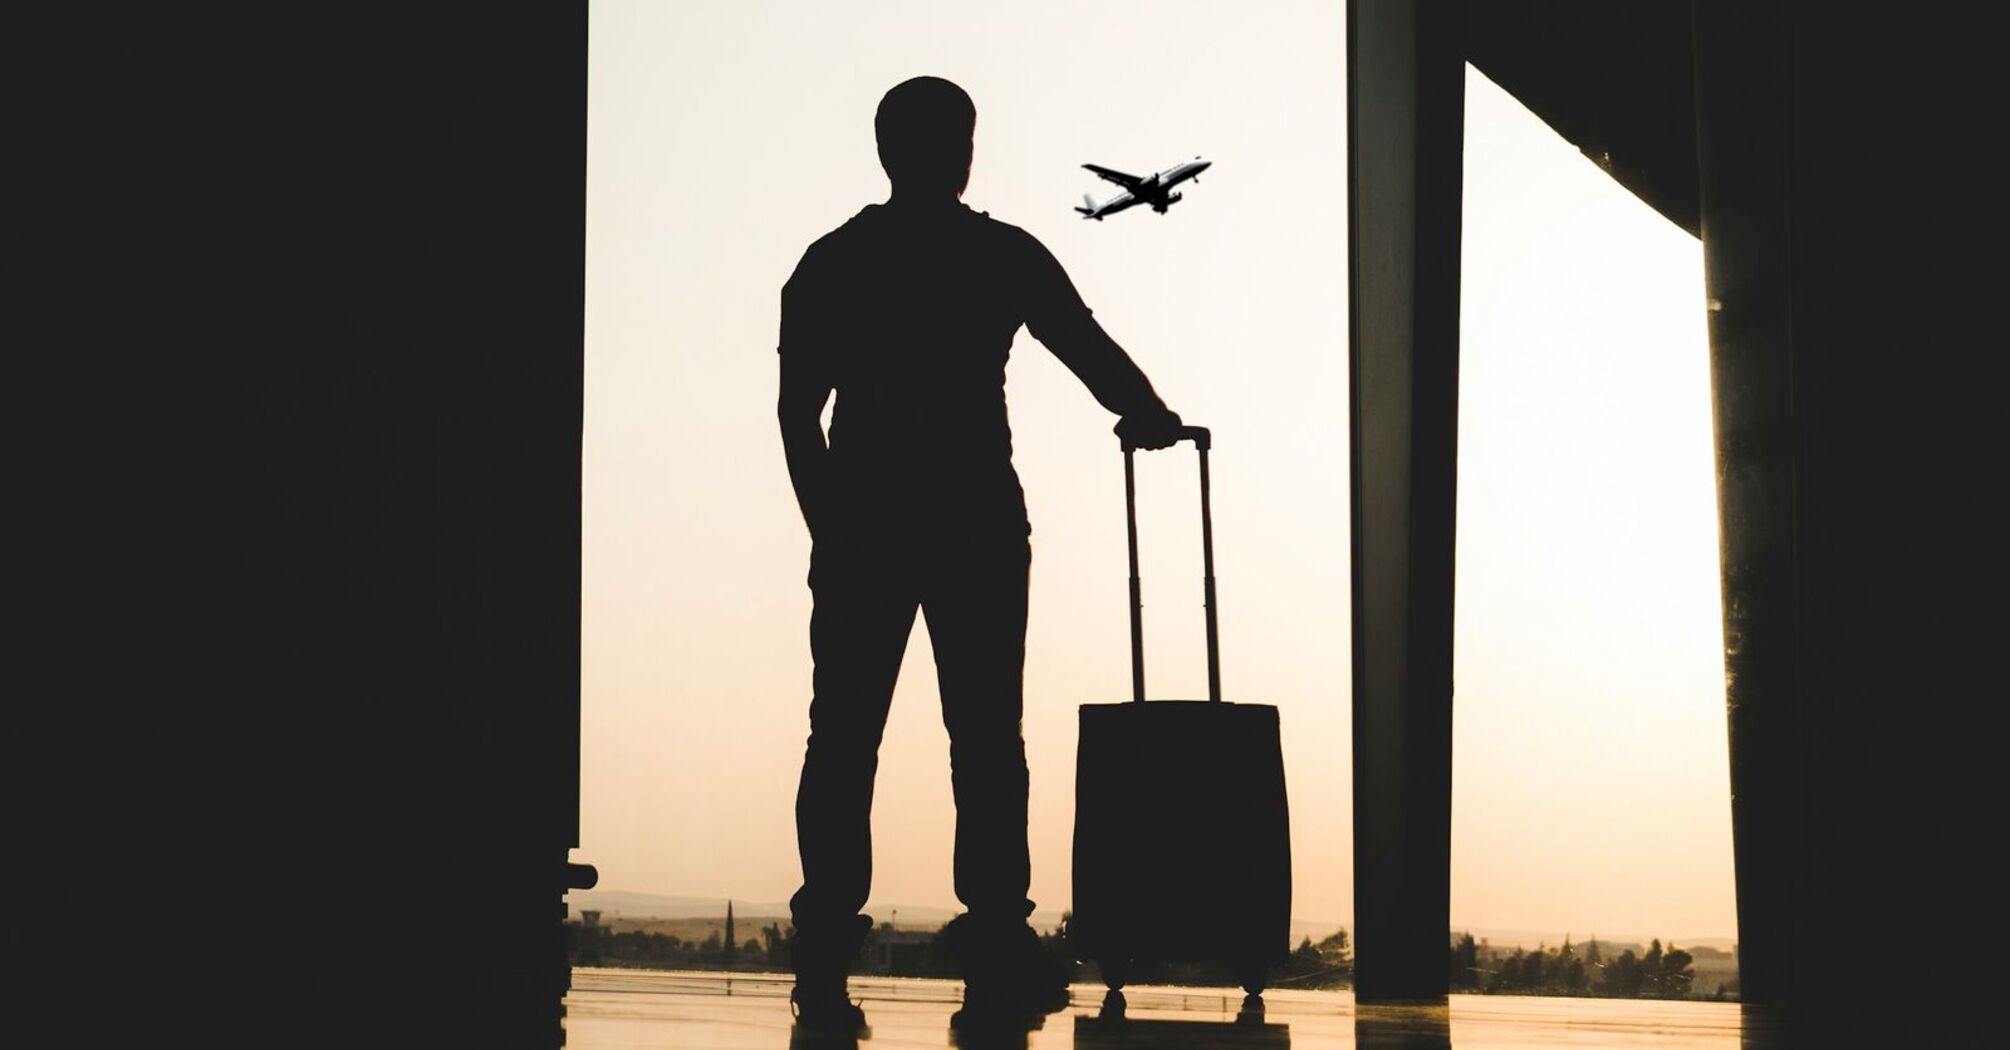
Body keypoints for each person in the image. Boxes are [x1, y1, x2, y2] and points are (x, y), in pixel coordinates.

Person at [777, 75, 1185, 1033]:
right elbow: (1080, 343)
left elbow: (800, 415)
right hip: (975, 524)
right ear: (962, 152)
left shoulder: (834, 262)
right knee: (988, 738)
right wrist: (1149, 412)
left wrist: (829, 526)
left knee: (842, 739)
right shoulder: (998, 255)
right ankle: (997, 927)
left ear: (885, 152)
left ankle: (826, 936)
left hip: (867, 522)